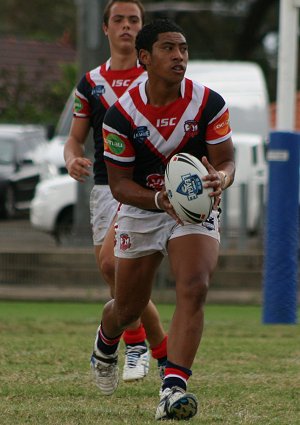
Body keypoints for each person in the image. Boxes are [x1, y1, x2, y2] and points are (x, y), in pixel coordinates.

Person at [97, 18, 235, 420]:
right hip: (143, 208)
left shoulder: (208, 102)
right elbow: (119, 186)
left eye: (184, 49)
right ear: (144, 57)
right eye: (168, 48)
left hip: (195, 207)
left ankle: (173, 387)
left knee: (194, 286)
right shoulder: (120, 116)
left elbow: (226, 158)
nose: (179, 56)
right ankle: (106, 343)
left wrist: (221, 178)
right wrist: (160, 198)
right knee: (127, 308)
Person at [63, 0, 167, 387]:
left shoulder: (155, 78)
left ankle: (136, 348)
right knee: (117, 280)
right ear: (105, 28)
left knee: (115, 266)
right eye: (118, 19)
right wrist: (73, 159)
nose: (126, 26)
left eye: (134, 20)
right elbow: (74, 140)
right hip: (106, 188)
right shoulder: (90, 84)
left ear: (143, 30)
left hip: (142, 190)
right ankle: (159, 353)